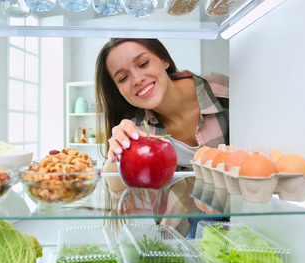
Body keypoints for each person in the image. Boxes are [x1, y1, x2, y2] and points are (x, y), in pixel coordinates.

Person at [94, 38, 230, 238]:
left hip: (248, 218)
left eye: (143, 64)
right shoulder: (138, 131)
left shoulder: (220, 90)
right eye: (123, 78)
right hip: (186, 235)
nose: (137, 79)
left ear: (164, 60)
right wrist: (116, 152)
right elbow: (117, 193)